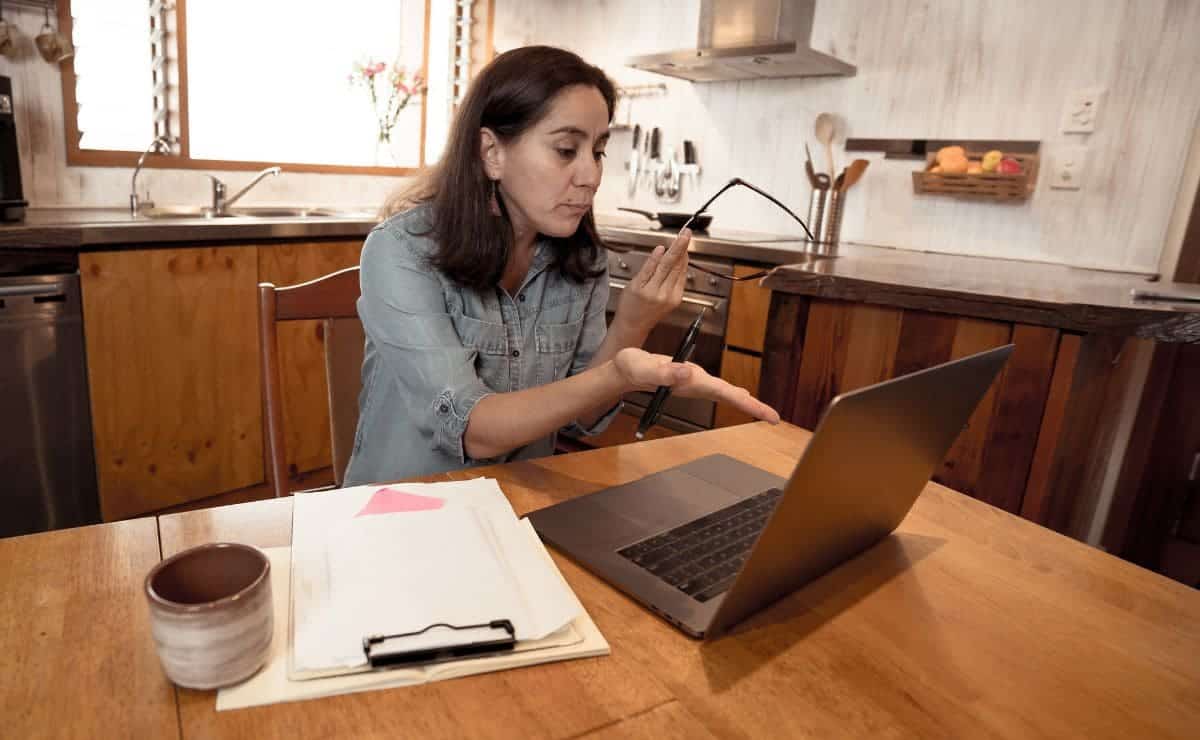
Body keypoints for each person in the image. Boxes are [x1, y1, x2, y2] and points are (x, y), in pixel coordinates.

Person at [343, 45, 779, 486]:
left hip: (519, 506)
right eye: (567, 149)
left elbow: (581, 419)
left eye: (599, 151)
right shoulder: (400, 251)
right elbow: (474, 430)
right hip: (396, 513)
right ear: (491, 152)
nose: (591, 175)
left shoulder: (581, 260)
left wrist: (632, 322)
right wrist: (619, 374)